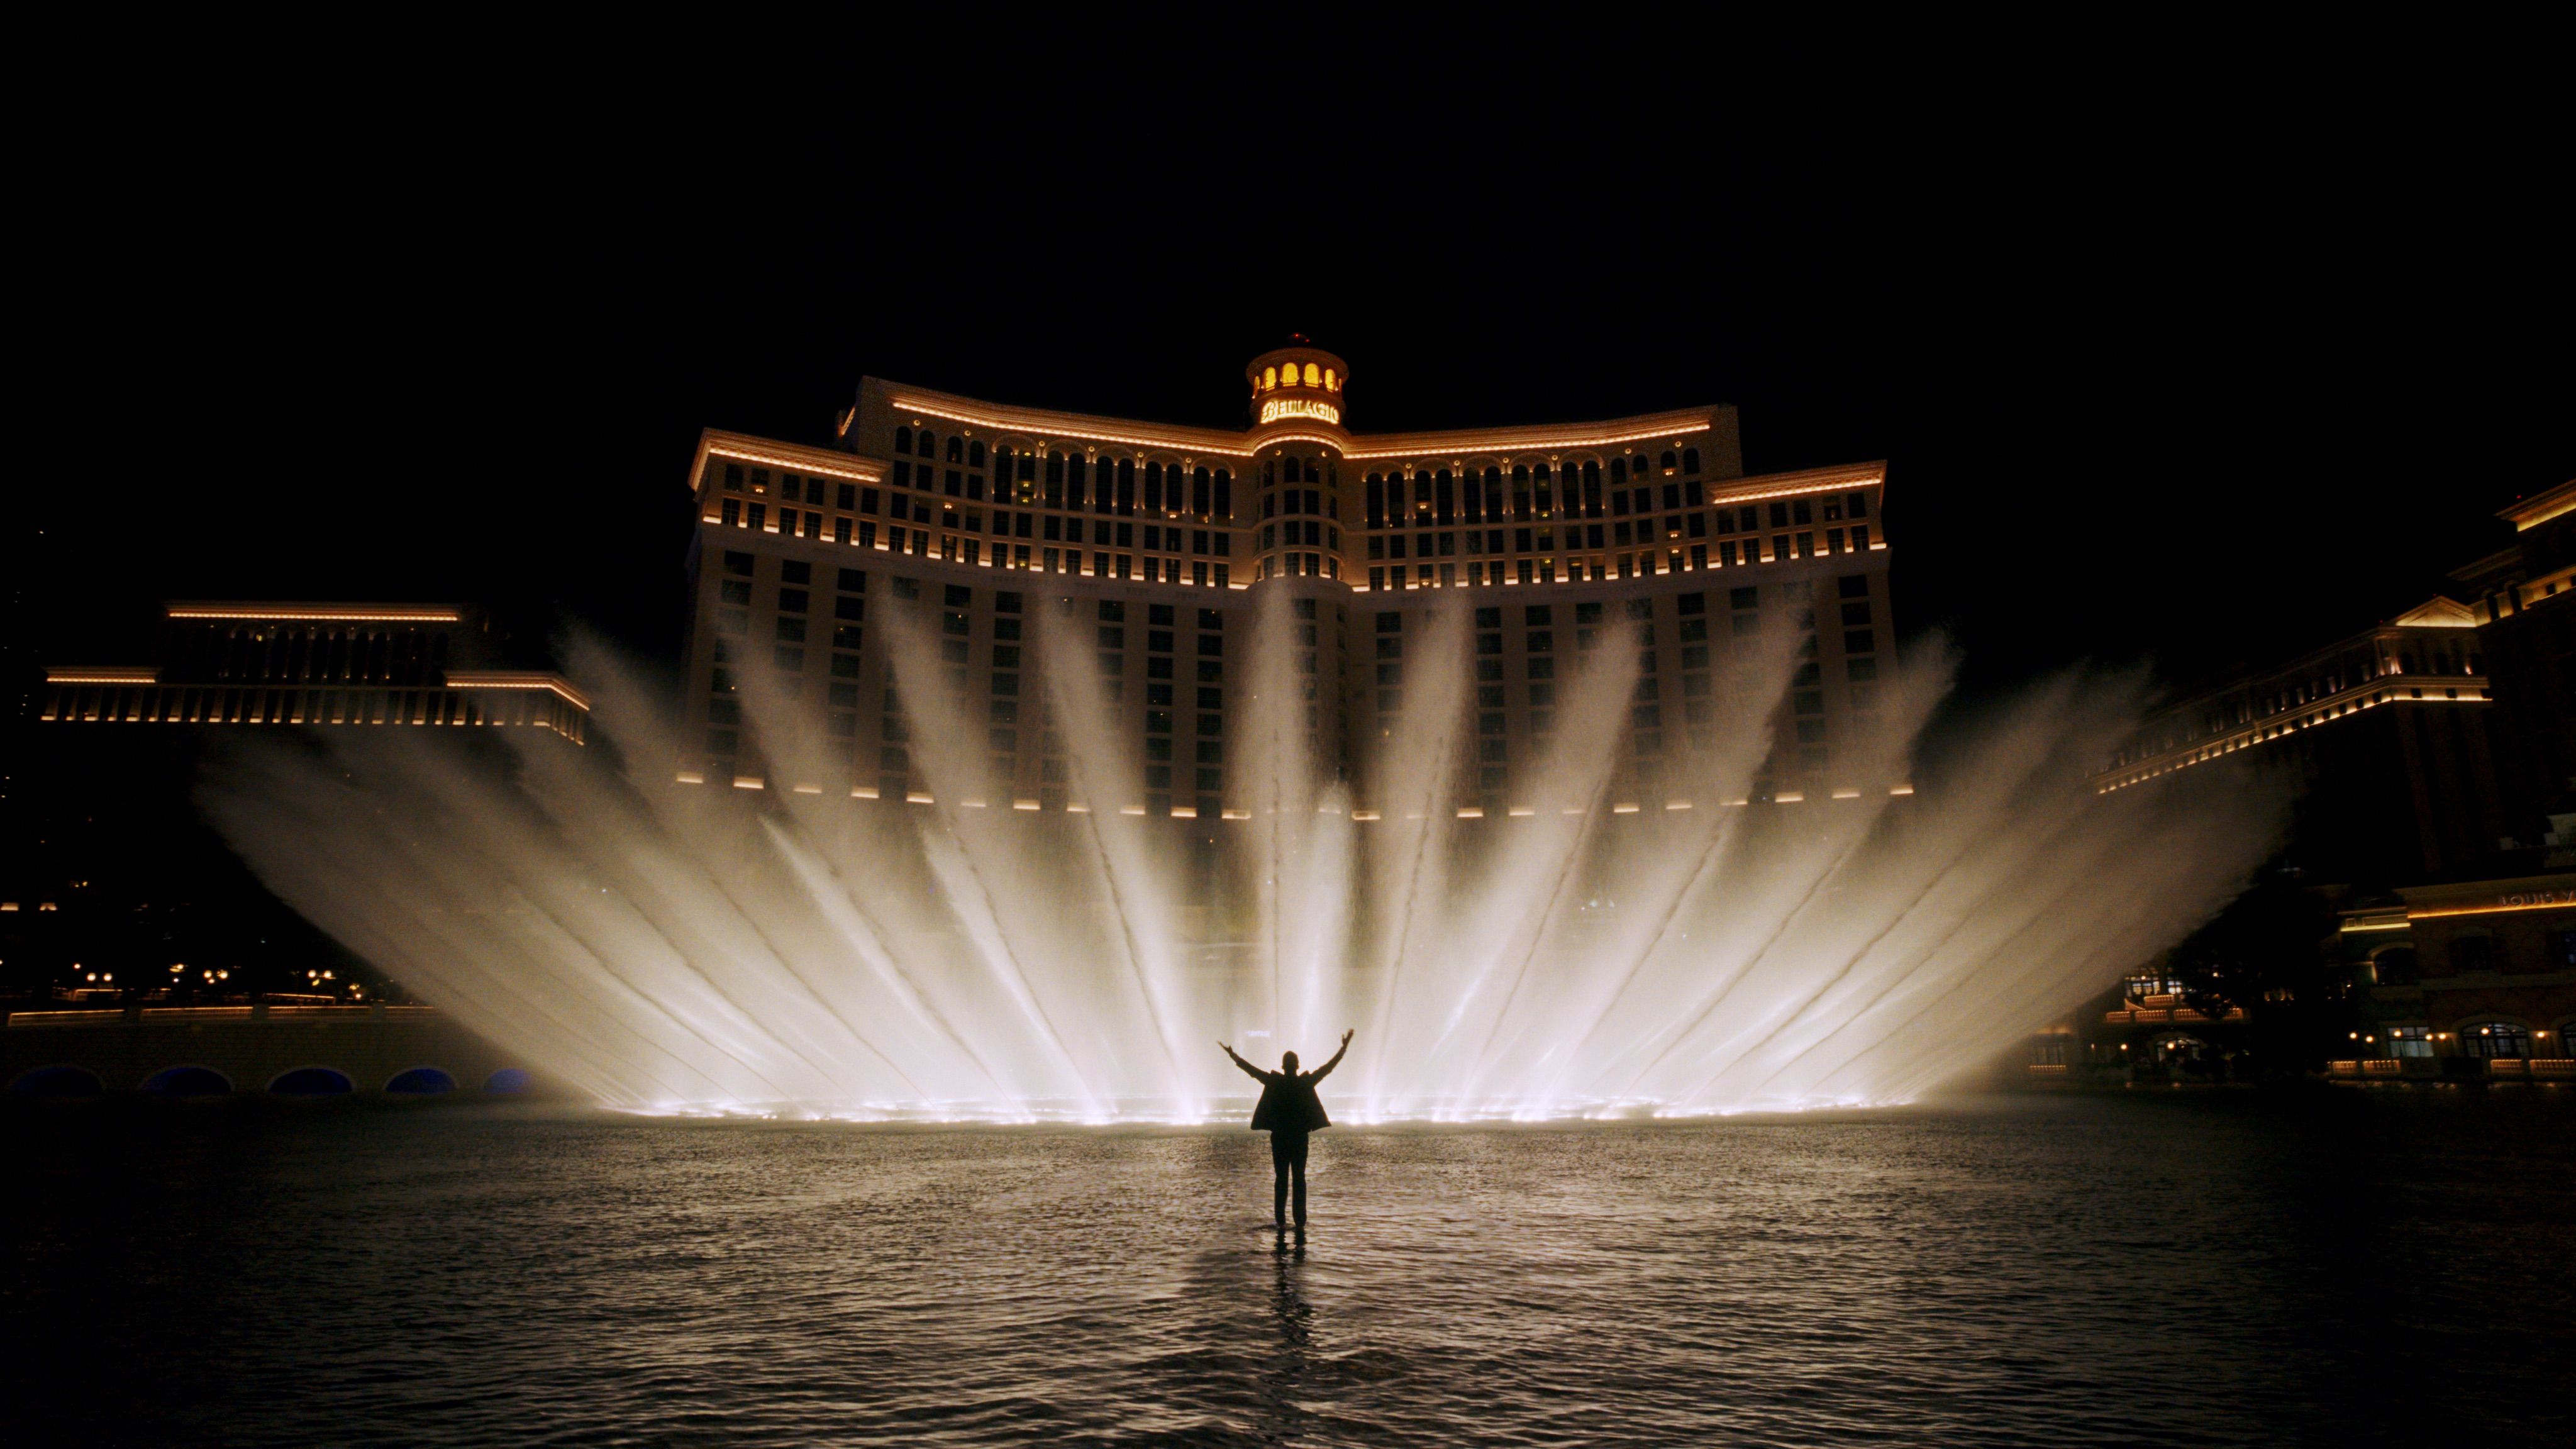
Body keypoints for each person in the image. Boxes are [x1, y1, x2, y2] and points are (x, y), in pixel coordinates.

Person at [1220, 1028, 1352, 1231]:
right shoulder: (1305, 1082)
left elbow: (1252, 1071)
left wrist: (1233, 1055)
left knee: (1281, 1178)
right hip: (1299, 1137)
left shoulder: (1275, 1082)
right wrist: (1343, 1049)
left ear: (1283, 1067)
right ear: (1297, 1066)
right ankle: (1300, 1222)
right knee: (1299, 1178)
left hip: (1280, 1137)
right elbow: (1328, 1069)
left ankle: (1280, 1222)